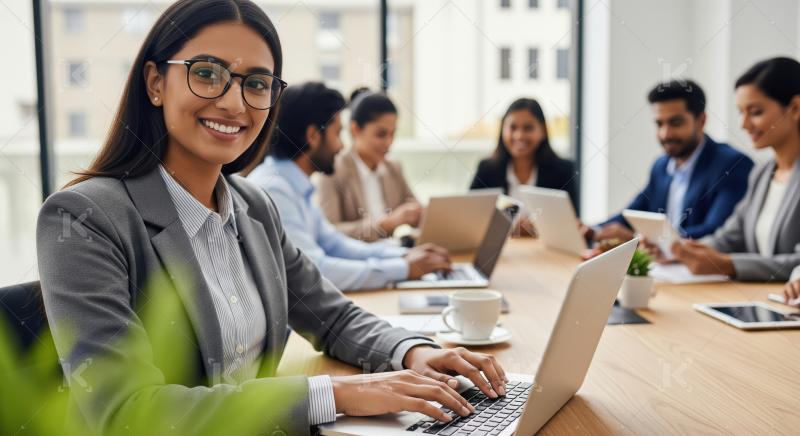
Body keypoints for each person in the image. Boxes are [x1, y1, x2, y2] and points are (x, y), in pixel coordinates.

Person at [36, 2, 507, 434]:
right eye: (206, 73)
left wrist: (414, 352)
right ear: (156, 83)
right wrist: (334, 394)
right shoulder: (84, 219)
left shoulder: (253, 207)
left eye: (256, 83)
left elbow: (333, 316)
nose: (235, 103)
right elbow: (127, 413)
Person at [248, 82, 451, 291]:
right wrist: (402, 268)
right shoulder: (275, 190)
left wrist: (403, 255)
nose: (341, 146)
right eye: (337, 134)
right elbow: (316, 271)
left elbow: (336, 245)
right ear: (313, 136)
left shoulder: (295, 186)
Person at [671, 57, 800, 282]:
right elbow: (731, 237)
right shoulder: (762, 173)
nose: (744, 124)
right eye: (741, 112)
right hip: (758, 301)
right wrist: (680, 251)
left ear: (796, 108)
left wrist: (729, 264)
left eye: (756, 112)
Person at [583, 80, 754, 242]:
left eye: (676, 123)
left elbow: (716, 231)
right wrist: (594, 230)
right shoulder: (661, 166)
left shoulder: (732, 165)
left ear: (701, 121)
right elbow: (632, 213)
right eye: (659, 124)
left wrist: (638, 239)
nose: (666, 134)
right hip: (663, 267)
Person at [316, 88, 421, 242]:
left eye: (393, 134)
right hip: (356, 261)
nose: (389, 142)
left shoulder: (393, 167)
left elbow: (415, 209)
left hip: (393, 255)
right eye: (381, 134)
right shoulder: (332, 170)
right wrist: (385, 225)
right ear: (355, 130)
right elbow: (329, 231)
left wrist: (420, 214)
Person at [469, 97, 577, 236]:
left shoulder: (563, 171)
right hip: (500, 253)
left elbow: (570, 223)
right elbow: (471, 219)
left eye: (528, 128)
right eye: (512, 127)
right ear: (503, 130)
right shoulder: (487, 169)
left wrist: (537, 227)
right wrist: (510, 227)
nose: (519, 135)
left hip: (546, 254)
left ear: (543, 131)